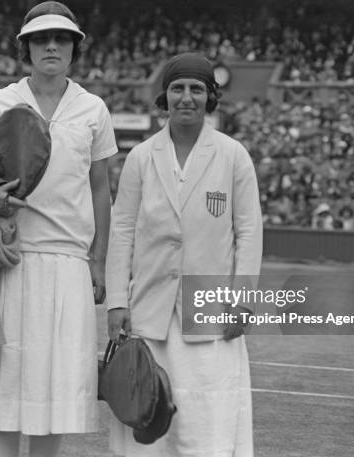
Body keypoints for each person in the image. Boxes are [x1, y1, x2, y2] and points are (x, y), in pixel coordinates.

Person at [0, 3, 117, 457]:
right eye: (41, 39)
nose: (51, 46)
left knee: (51, 392)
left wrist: (98, 260)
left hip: (67, 263)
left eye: (61, 38)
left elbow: (100, 189)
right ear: (27, 48)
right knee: (1, 388)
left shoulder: (93, 109)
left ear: (75, 47)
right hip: (5, 259)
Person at [106, 53, 262, 457]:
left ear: (210, 97)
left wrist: (242, 300)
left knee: (206, 422)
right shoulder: (141, 157)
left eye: (196, 89)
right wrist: (117, 301)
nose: (186, 98)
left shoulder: (232, 155)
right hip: (149, 308)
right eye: (178, 88)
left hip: (210, 309)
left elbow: (248, 232)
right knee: (147, 422)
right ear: (165, 96)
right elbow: (122, 231)